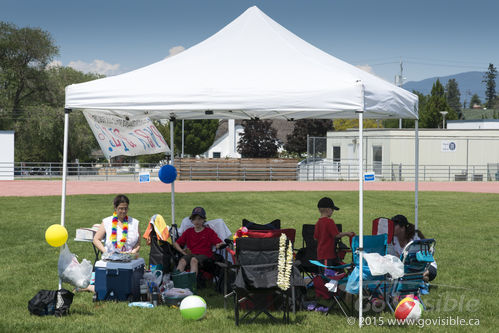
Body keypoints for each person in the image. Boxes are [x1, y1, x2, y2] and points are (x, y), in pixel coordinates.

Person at [173, 207, 225, 276]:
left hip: (205, 255)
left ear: (204, 220)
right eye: (194, 219)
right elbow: (176, 243)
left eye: (199, 219)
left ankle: (191, 283)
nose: (197, 221)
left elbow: (220, 242)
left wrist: (219, 245)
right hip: (191, 254)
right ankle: (177, 281)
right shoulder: (188, 231)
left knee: (193, 260)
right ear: (192, 220)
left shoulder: (209, 232)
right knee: (182, 260)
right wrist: (182, 251)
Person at [389, 214, 437, 282]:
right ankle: (420, 278)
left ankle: (422, 276)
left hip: (424, 265)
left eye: (394, 226)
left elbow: (425, 255)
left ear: (402, 228)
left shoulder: (415, 238)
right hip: (406, 267)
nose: (391, 228)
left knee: (423, 272)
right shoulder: (393, 239)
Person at [314, 197, 355, 267]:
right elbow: (337, 235)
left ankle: (334, 276)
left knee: (326, 271)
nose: (333, 212)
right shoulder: (329, 221)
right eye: (332, 210)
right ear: (328, 209)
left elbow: (316, 238)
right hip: (327, 254)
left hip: (320, 253)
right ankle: (332, 277)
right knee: (327, 272)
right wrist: (347, 233)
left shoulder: (318, 222)